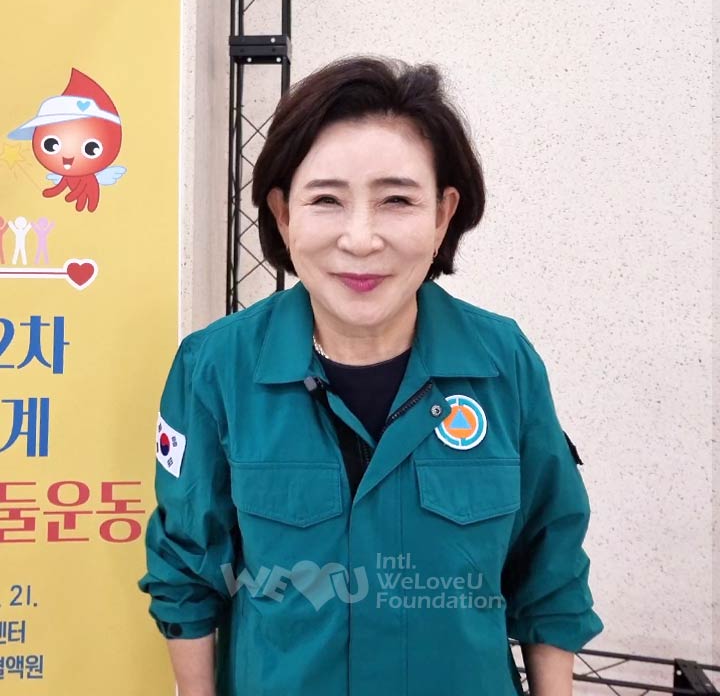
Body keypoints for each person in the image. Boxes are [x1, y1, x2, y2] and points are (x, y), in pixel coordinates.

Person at [139, 55, 603, 696]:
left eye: (397, 200)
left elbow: (550, 567)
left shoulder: (504, 362)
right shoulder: (215, 368)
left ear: (442, 215)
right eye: (326, 200)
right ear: (283, 214)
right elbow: (187, 573)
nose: (360, 239)